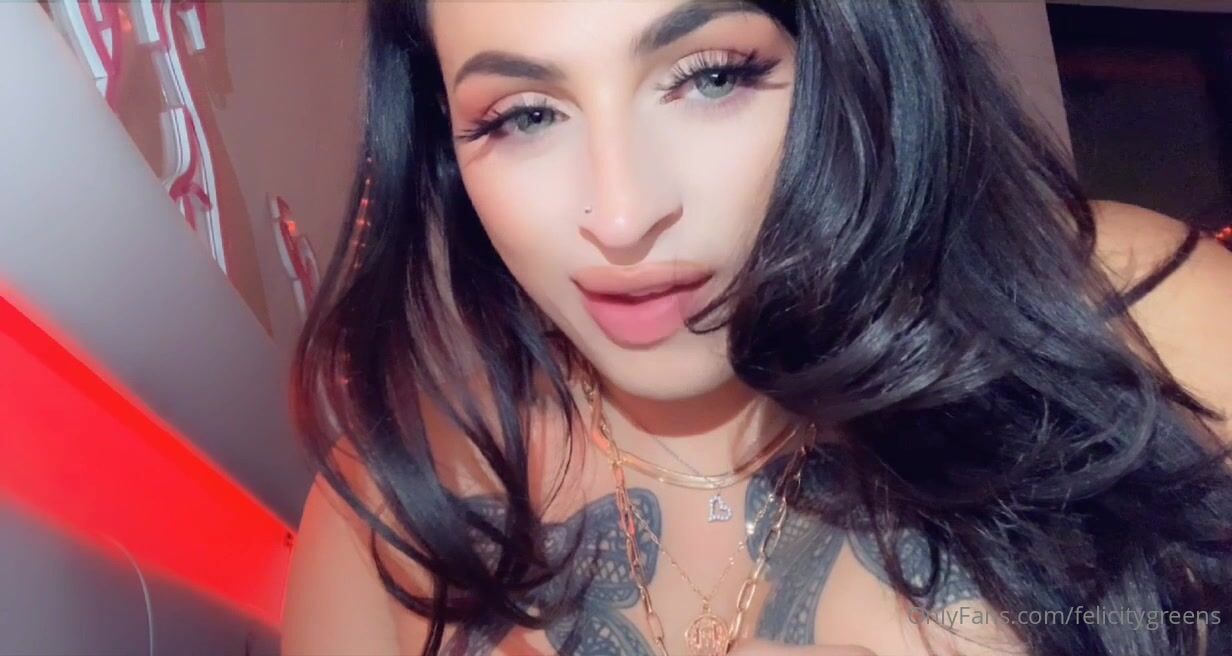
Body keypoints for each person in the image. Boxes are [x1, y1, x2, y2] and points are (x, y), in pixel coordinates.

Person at [279, 2, 1232, 655]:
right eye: (525, 115)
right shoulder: (393, 504)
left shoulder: (1131, 315)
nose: (623, 215)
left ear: (847, 49)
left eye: (710, 77)